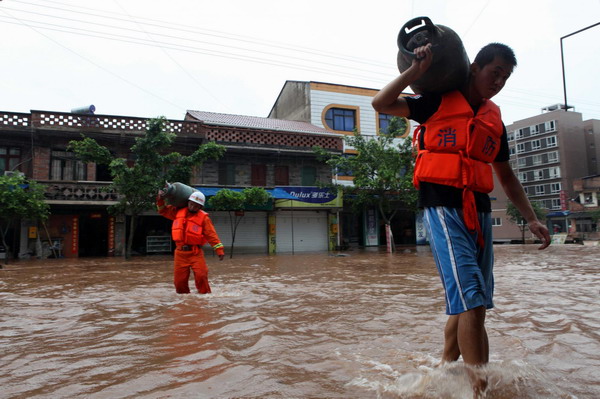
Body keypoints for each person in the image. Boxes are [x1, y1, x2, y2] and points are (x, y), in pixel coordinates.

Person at [372, 42, 551, 395]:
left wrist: (531, 219)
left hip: (479, 210)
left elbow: (507, 176)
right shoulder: (437, 100)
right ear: (473, 67)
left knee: (472, 299)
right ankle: (479, 388)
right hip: (442, 205)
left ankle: (444, 368)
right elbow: (381, 103)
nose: (498, 81)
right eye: (493, 72)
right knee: (472, 299)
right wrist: (414, 71)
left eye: (505, 77)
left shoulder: (492, 118)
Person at [157, 189, 225, 294]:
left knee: (201, 276)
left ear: (200, 207)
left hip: (195, 253)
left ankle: (204, 299)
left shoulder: (204, 218)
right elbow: (163, 210)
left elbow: (211, 235)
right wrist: (160, 199)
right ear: (188, 202)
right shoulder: (177, 212)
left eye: (196, 206)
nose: (193, 207)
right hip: (180, 253)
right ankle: (185, 303)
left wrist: (219, 250)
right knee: (179, 282)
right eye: (191, 204)